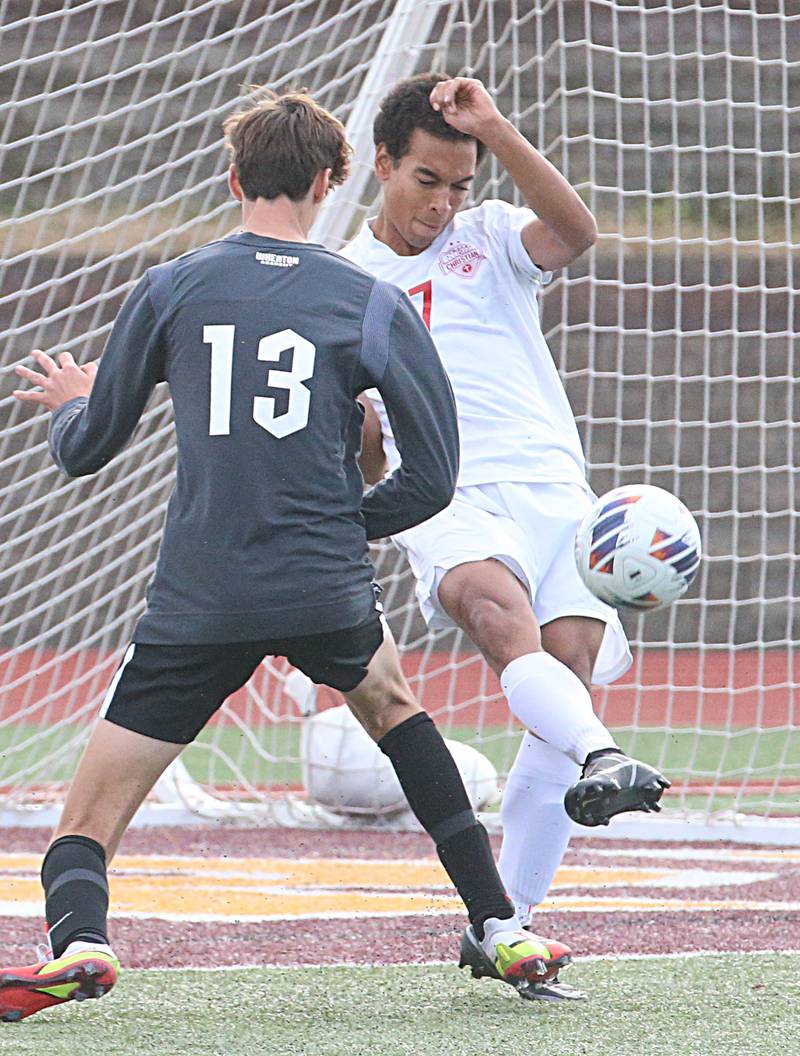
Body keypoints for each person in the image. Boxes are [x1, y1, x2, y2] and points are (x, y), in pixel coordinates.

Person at [5, 87, 560, 1022]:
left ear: (232, 179)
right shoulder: (373, 301)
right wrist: (342, 525)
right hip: (324, 588)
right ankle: (499, 922)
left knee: (87, 818)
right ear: (329, 180)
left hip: (201, 595)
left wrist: (68, 397)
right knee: (394, 710)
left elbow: (86, 450)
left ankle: (84, 942)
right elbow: (433, 481)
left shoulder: (171, 286)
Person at [343, 73, 670, 996]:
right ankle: (602, 755)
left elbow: (575, 233)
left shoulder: (488, 234)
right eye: (424, 182)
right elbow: (362, 446)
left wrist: (495, 128)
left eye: (456, 183)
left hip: (554, 489)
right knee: (497, 611)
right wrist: (365, 452)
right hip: (442, 490)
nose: (440, 205)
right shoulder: (345, 281)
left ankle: (507, 929)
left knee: (561, 671)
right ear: (382, 166)